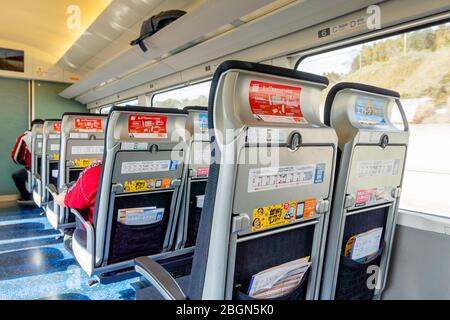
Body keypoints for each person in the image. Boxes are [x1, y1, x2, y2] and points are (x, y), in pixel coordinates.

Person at [54, 160, 102, 226]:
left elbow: (64, 200)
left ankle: (68, 230)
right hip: (116, 232)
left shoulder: (94, 172)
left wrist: (56, 197)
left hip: (94, 231)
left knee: (67, 189)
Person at [11, 119, 44, 205]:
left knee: (16, 175)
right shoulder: (52, 136)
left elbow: (16, 157)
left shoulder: (24, 137)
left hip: (32, 170)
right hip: (50, 170)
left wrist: (26, 163)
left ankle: (26, 197)